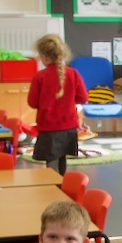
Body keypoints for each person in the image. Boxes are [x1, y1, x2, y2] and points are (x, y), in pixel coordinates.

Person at [28, 33, 88, 175]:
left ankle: (55, 190)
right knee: (62, 159)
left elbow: (32, 102)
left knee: (51, 162)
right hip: (69, 127)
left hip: (48, 127)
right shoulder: (73, 74)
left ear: (43, 56)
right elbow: (83, 98)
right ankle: (61, 188)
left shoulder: (39, 77)